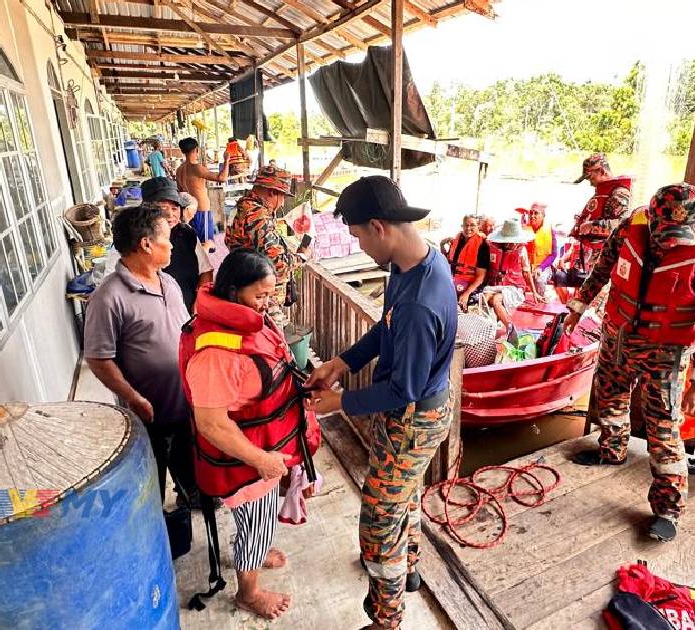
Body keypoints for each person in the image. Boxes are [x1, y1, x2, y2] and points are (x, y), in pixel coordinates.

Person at [306, 176, 457, 630]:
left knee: (378, 523)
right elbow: (383, 328)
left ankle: (386, 619)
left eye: (358, 238)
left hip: (413, 417)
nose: (361, 249)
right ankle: (409, 566)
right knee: (402, 496)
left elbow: (401, 391)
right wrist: (341, 362)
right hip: (413, 411)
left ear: (378, 226)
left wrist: (338, 401)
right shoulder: (412, 264)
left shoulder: (421, 304)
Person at [562, 183, 695, 543]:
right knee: (608, 397)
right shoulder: (630, 227)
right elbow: (602, 268)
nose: (672, 242)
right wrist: (578, 307)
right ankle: (611, 450)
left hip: (665, 352)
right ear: (653, 218)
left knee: (663, 428)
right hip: (618, 335)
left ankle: (668, 509)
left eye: (680, 235)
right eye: (665, 233)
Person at [179, 248, 319, 620]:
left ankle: (252, 552)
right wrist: (262, 461)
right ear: (231, 290)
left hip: (264, 447)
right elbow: (211, 423)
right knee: (257, 521)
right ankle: (249, 592)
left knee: (257, 521)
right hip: (246, 463)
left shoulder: (244, 322)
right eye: (259, 296)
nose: (266, 305)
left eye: (269, 295)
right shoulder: (215, 353)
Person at [84, 204, 192, 506]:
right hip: (149, 414)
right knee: (148, 488)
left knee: (192, 475)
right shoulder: (109, 297)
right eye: (166, 237)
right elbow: (98, 358)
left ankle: (190, 499)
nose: (171, 244)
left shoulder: (167, 282)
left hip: (185, 406)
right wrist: (132, 397)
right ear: (146, 244)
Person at [226, 165, 311, 327]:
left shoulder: (242, 207)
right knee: (272, 342)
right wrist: (302, 256)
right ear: (272, 192)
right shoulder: (258, 215)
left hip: (245, 288)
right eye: (283, 196)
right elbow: (278, 263)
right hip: (261, 298)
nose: (282, 202)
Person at [567, 153, 633, 306]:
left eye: (591, 178)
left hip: (605, 255)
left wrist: (592, 226)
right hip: (592, 255)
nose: (591, 184)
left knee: (596, 301)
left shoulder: (619, 193)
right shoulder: (603, 191)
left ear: (602, 171)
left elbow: (621, 224)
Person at [140, 177, 213, 312]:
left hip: (187, 312)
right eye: (162, 208)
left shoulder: (186, 234)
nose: (170, 214)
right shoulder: (136, 240)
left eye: (175, 208)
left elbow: (206, 271)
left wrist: (199, 302)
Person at [481, 218, 543, 330]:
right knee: (484, 298)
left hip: (514, 288)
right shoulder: (492, 247)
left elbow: (526, 272)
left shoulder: (521, 250)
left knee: (496, 300)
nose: (511, 243)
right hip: (495, 286)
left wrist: (534, 292)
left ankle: (510, 328)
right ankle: (489, 328)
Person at [177, 137, 232, 253]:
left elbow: (180, 191)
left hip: (188, 211)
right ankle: (204, 269)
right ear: (196, 150)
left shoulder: (179, 170)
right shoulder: (196, 168)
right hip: (201, 211)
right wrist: (227, 160)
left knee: (192, 244)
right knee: (207, 245)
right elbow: (222, 178)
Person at [443, 214, 490, 311]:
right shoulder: (457, 240)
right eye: (466, 225)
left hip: (468, 283)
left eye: (472, 225)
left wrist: (466, 294)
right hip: (452, 279)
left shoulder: (483, 245)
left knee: (446, 298)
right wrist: (442, 246)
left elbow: (480, 277)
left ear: (478, 226)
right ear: (462, 226)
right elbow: (449, 262)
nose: (468, 228)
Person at [521, 202, 558, 277]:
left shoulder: (550, 230)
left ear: (543, 215)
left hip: (543, 267)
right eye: (531, 213)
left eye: (536, 213)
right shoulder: (523, 229)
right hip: (525, 267)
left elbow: (553, 255)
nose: (532, 216)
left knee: (539, 279)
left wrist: (541, 267)